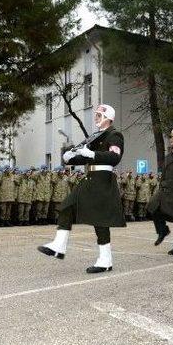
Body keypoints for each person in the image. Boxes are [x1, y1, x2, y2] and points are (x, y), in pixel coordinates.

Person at [37, 104, 125, 273]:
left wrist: (92, 154)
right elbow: (82, 155)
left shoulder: (115, 135)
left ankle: (105, 260)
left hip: (102, 180)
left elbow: (114, 157)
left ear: (108, 118)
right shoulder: (95, 136)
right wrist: (69, 157)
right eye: (96, 115)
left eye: (99, 115)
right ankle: (59, 246)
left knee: (100, 221)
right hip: (90, 179)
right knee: (66, 207)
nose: (96, 118)